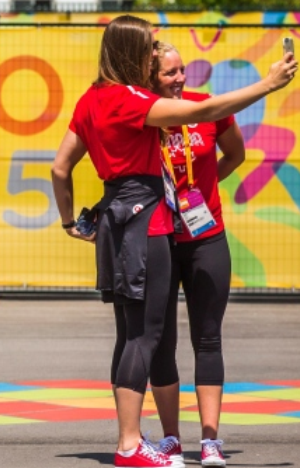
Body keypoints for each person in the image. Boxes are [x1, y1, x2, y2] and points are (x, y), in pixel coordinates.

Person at [50, 15, 296, 468]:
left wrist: (71, 222)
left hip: (123, 218)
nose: (159, 60)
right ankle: (132, 444)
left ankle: (142, 441)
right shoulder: (130, 99)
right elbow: (201, 112)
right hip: (146, 221)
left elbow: (59, 167)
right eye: (150, 50)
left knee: (134, 336)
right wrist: (268, 85)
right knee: (145, 337)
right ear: (133, 54)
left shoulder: (91, 98)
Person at [146, 41, 247, 467]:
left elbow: (236, 154)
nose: (180, 78)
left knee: (208, 337)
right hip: (159, 240)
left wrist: (201, 191)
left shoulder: (206, 107)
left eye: (182, 70)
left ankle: (210, 440)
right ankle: (171, 439)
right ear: (150, 77)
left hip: (207, 236)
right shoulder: (141, 114)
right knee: (160, 341)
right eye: (169, 73)